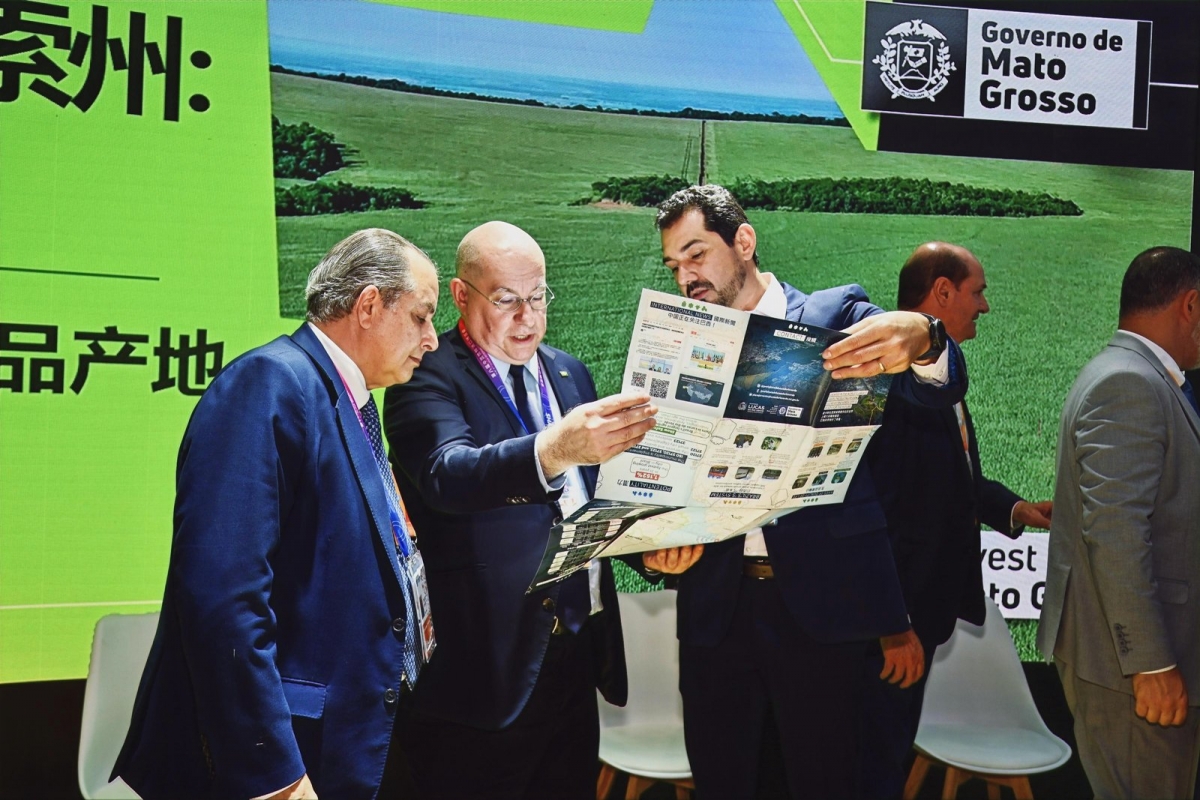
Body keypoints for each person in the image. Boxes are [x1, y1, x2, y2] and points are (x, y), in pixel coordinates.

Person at [652, 185, 968, 799]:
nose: (685, 277)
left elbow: (937, 385)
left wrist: (925, 336)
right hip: (716, 617)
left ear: (744, 241)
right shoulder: (681, 347)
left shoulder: (834, 315)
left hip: (825, 613)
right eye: (673, 266)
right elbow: (663, 475)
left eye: (696, 254)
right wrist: (656, 548)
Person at [112, 229, 441, 800]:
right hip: (281, 756)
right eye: (420, 316)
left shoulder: (345, 397)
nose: (432, 339)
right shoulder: (270, 382)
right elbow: (223, 598)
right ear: (368, 306)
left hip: (346, 740)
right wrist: (273, 775)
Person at [383, 221, 687, 800]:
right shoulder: (426, 372)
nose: (527, 316)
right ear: (461, 295)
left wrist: (649, 555)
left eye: (538, 296)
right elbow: (449, 474)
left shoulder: (569, 372)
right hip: (484, 671)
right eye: (506, 300)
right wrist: (554, 449)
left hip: (578, 648)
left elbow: (593, 498)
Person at [858, 242, 1053, 799]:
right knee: (872, 765)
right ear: (942, 292)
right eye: (977, 292)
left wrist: (1015, 509)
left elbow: (948, 481)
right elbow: (872, 514)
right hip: (892, 630)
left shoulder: (938, 376)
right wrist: (892, 627)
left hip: (918, 620)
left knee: (888, 756)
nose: (984, 306)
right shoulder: (890, 383)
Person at [1038, 246, 1200, 800]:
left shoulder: (1134, 375)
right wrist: (1150, 664)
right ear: (1190, 304)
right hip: (1130, 674)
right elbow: (1115, 532)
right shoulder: (1129, 383)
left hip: (1126, 669)